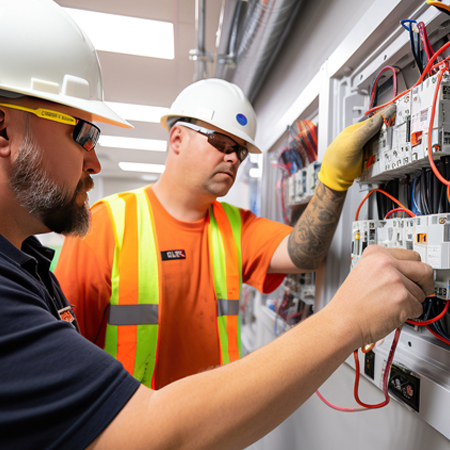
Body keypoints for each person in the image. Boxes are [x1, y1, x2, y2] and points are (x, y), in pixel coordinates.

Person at [0, 1, 433, 449]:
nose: (232, 157)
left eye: (240, 151)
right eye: (222, 142)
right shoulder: (111, 225)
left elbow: (302, 253)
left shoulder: (233, 226)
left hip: (215, 432)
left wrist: (333, 181)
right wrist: (347, 320)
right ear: (177, 139)